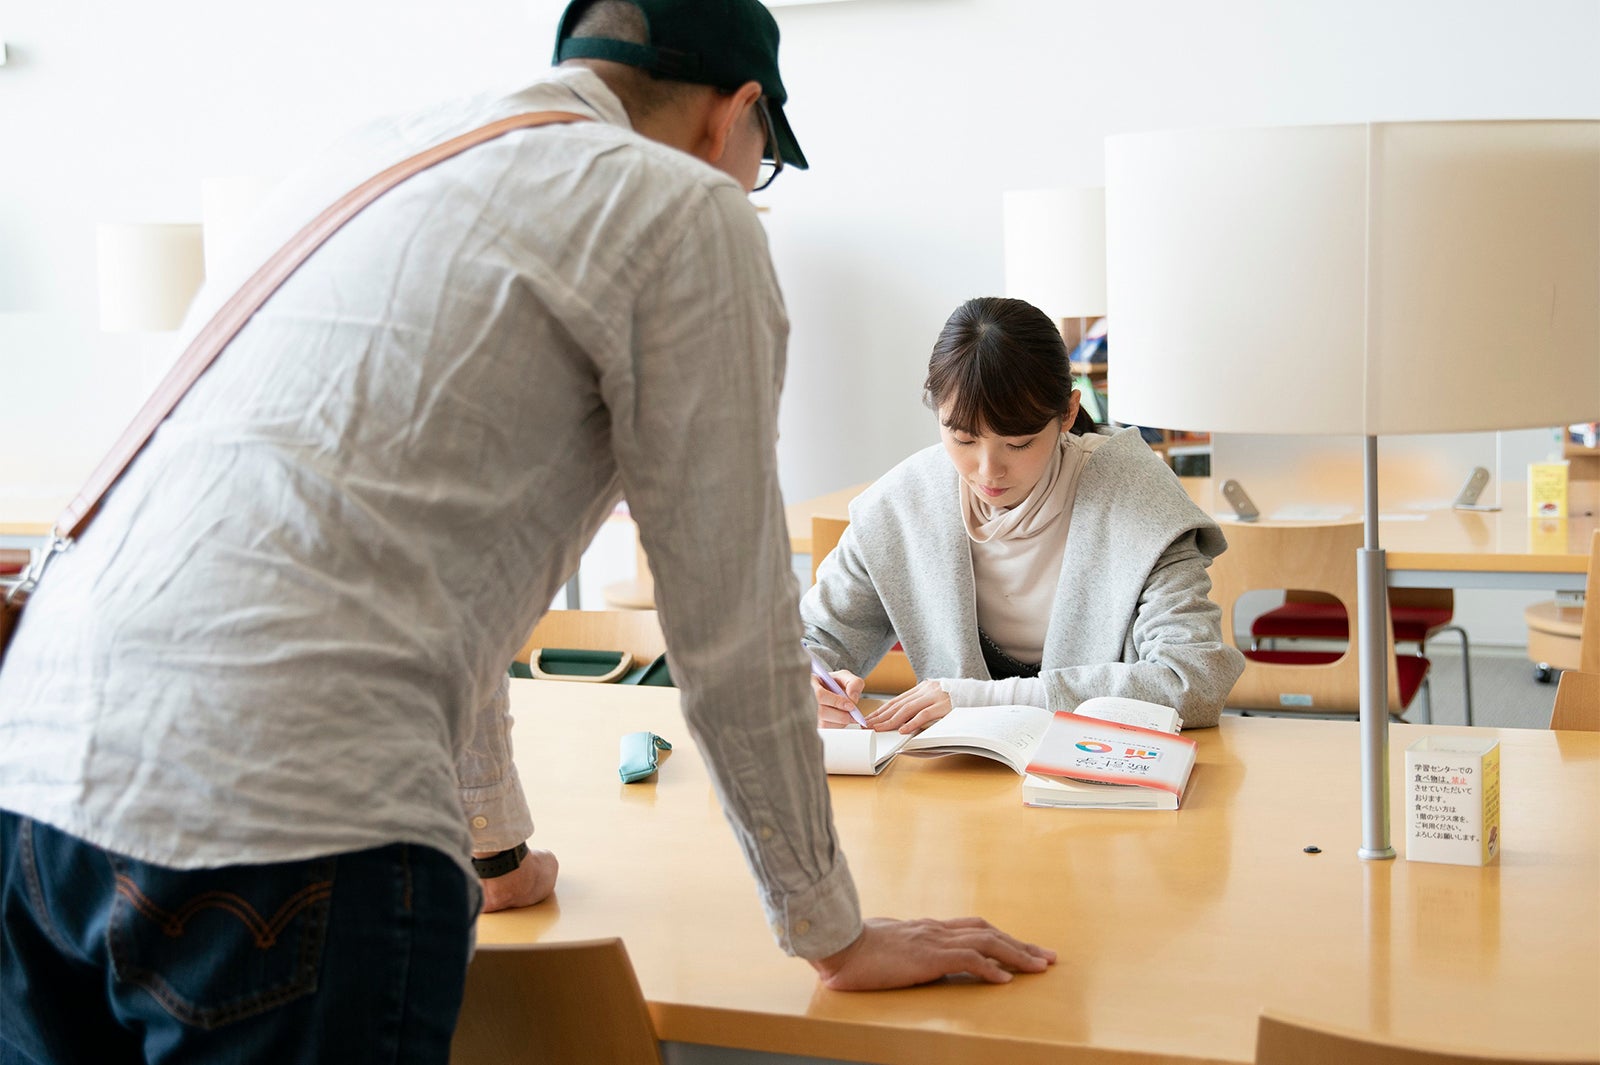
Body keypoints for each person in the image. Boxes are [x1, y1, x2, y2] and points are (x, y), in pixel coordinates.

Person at [0, 4, 1054, 1061]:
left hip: (33, 784)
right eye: (761, 159)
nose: (746, 186)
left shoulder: (371, 158)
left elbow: (418, 558)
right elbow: (731, 627)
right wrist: (833, 932)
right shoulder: (684, 209)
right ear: (733, 117)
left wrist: (493, 850)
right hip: (282, 824)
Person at [803, 296, 1245, 734]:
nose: (988, 469)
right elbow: (810, 644)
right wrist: (808, 684)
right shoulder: (900, 507)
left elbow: (1194, 679)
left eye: (1018, 443)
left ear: (1068, 413)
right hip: (955, 783)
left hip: (1104, 779)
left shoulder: (1135, 498)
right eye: (962, 438)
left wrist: (984, 701)